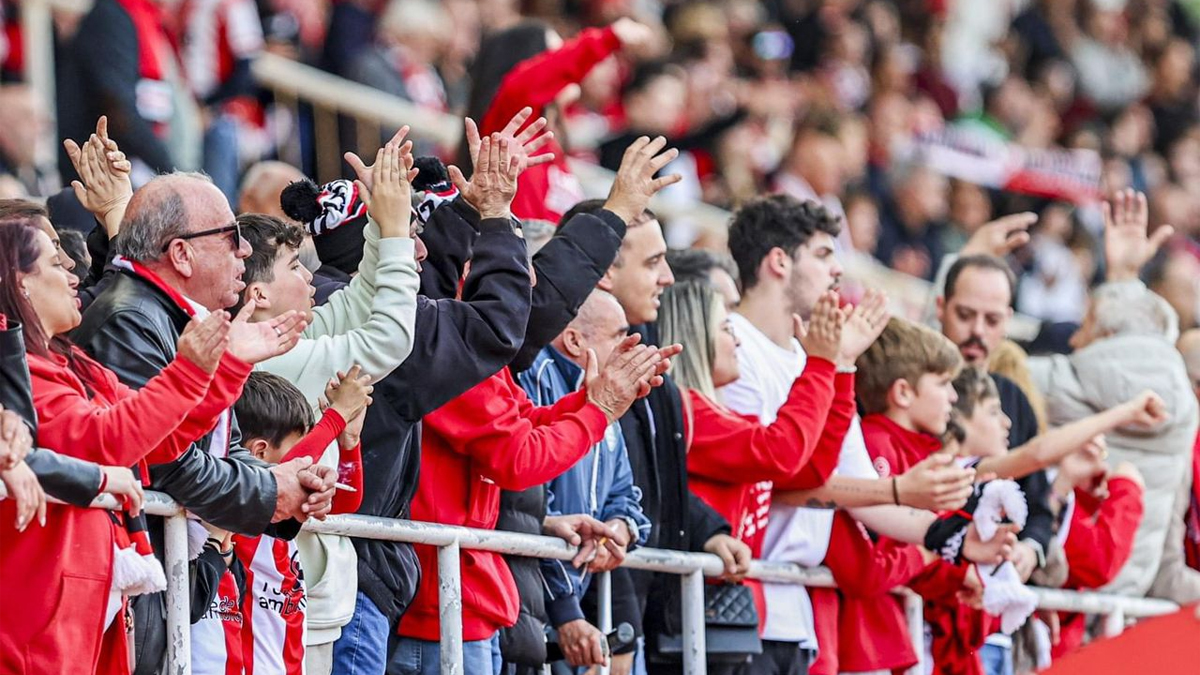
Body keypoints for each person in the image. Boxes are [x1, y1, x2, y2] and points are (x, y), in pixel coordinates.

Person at [71, 171, 337, 674]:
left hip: (167, 585)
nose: (244, 253)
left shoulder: (180, 319)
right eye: (231, 238)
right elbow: (166, 462)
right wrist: (271, 493)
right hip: (129, 586)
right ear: (181, 254)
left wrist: (286, 484)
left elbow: (222, 447)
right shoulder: (130, 319)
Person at [0, 215, 283, 675]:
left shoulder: (77, 368)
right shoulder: (28, 373)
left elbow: (157, 443)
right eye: (55, 261)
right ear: (20, 283)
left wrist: (228, 367)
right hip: (35, 613)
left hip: (80, 607)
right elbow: (106, 441)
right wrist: (192, 369)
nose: (74, 269)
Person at [723, 195, 974, 675]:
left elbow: (859, 490)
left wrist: (955, 537)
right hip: (738, 595)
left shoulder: (810, 359)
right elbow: (773, 476)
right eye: (822, 255)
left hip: (796, 610)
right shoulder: (733, 346)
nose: (837, 270)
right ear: (779, 261)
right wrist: (901, 489)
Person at [236, 136, 420, 673]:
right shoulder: (273, 358)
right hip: (293, 593)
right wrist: (393, 234)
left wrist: (384, 222)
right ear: (260, 294)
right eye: (295, 266)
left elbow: (359, 304)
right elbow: (387, 339)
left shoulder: (288, 338)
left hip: (309, 593)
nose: (310, 276)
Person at [190, 369, 370, 675]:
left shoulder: (280, 507)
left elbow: (345, 503)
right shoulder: (246, 504)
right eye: (298, 447)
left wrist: (348, 441)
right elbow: (291, 469)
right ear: (259, 451)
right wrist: (335, 416)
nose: (308, 463)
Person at [517, 289, 653, 672]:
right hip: (531, 610)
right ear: (575, 339)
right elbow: (530, 504)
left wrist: (618, 529)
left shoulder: (606, 398)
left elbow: (627, 495)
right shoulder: (535, 379)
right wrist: (567, 612)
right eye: (619, 338)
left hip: (564, 613)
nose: (630, 353)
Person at [467, 17, 655, 222]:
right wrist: (610, 37)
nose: (570, 69)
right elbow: (527, 80)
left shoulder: (550, 143)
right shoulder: (511, 121)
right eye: (556, 54)